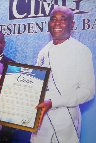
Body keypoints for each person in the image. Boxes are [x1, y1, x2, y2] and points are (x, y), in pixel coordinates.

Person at [31, 6, 95, 143]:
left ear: (72, 24)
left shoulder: (81, 51)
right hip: (41, 124)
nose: (57, 23)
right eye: (53, 19)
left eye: (63, 19)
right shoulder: (43, 51)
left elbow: (88, 91)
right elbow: (38, 86)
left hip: (66, 125)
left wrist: (54, 102)